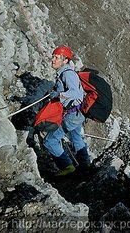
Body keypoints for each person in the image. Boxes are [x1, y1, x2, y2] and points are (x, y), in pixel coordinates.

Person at [43, 45, 91, 176]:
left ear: (65, 60)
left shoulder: (67, 74)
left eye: (56, 57)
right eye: (53, 56)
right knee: (75, 137)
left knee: (49, 141)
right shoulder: (65, 73)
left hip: (72, 115)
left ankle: (67, 166)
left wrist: (58, 95)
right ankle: (85, 165)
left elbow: (75, 93)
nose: (53, 59)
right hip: (77, 113)